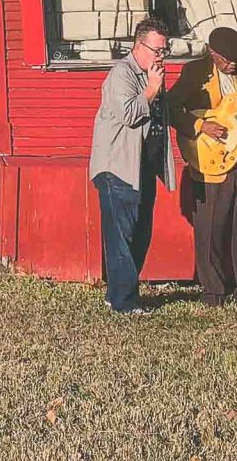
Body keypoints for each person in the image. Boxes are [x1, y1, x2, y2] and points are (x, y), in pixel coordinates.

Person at [170, 27, 237, 306]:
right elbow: (171, 107)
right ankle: (213, 291)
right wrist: (200, 125)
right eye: (227, 60)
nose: (232, 64)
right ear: (213, 53)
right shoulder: (194, 73)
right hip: (208, 158)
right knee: (210, 226)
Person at [88, 16, 176, 314]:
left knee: (140, 231)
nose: (161, 56)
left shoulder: (153, 74)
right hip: (117, 167)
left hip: (142, 166)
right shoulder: (122, 74)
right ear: (139, 46)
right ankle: (124, 302)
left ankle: (119, 293)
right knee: (121, 234)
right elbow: (128, 114)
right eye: (157, 50)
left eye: (165, 50)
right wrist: (152, 89)